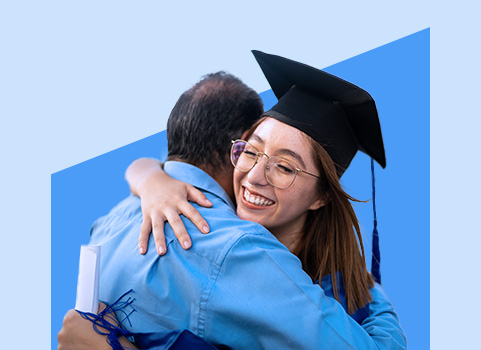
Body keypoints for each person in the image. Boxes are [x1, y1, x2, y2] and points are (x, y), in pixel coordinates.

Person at [58, 58, 406, 349]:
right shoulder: (234, 250)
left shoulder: (112, 219)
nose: (254, 176)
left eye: (284, 167)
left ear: (322, 195)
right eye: (251, 151)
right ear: (231, 150)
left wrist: (148, 175)